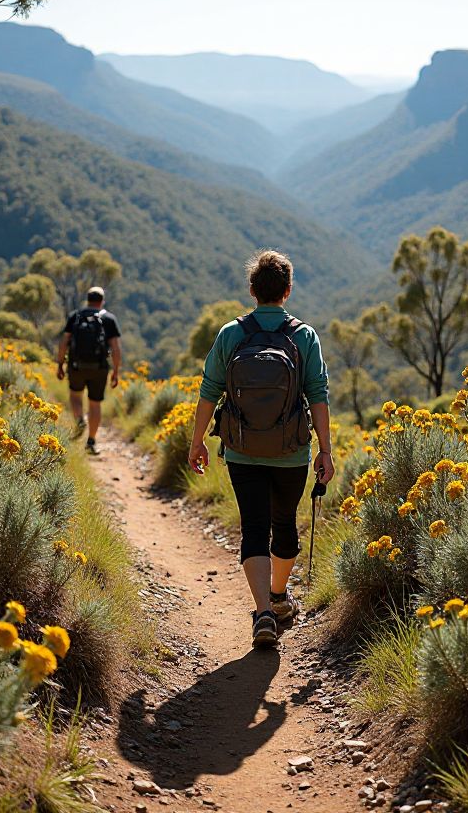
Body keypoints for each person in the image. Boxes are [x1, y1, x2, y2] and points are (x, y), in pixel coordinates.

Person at [188, 250, 333, 648]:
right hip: (291, 452)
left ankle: (263, 614)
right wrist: (326, 450)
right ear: (287, 291)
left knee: (253, 526)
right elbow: (317, 394)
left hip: (241, 450)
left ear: (252, 290)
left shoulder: (231, 334)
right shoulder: (304, 336)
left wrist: (197, 440)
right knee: (284, 524)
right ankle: (278, 596)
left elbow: (209, 392)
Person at [57, 286, 122, 455]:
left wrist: (60, 364)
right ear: (102, 301)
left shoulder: (75, 316)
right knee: (95, 404)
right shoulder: (109, 319)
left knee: (75, 396)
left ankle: (80, 421)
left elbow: (64, 342)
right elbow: (115, 348)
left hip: (76, 366)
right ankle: (91, 441)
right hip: (99, 368)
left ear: (88, 299)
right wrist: (116, 371)